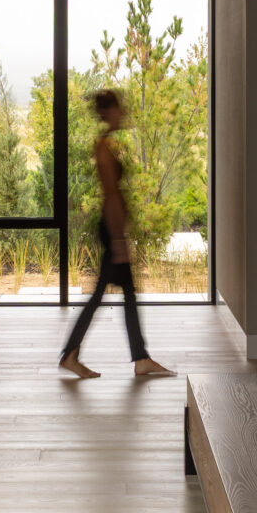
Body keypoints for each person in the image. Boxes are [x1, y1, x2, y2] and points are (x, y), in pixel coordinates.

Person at [59, 89, 174, 381]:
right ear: (107, 112)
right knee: (103, 295)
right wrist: (119, 239)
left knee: (123, 294)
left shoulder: (107, 144)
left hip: (113, 229)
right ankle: (73, 355)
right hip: (111, 231)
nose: (123, 113)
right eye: (119, 108)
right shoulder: (103, 148)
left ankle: (139, 357)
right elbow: (111, 196)